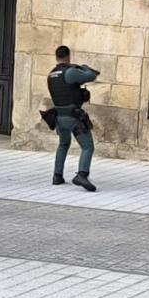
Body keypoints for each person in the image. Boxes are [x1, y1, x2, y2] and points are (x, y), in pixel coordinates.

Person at [47, 46, 99, 192]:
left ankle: (57, 176)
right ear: (68, 56)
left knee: (63, 144)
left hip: (59, 117)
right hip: (73, 117)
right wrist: (84, 67)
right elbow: (91, 76)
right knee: (88, 146)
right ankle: (82, 175)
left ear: (56, 57)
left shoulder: (51, 75)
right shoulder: (70, 72)